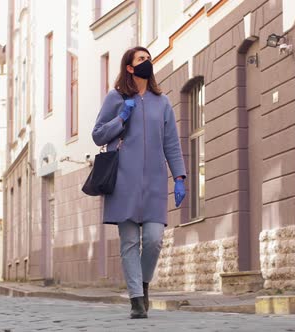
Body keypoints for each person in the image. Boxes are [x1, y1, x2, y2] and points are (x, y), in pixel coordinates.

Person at [92, 46, 187, 319]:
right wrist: (121, 117)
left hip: (156, 182)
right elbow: (98, 135)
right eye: (141, 59)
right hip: (124, 180)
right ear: (130, 68)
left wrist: (179, 176)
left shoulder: (162, 102)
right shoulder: (116, 97)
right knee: (130, 242)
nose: (148, 62)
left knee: (155, 240)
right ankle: (136, 299)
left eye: (149, 58)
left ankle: (143, 284)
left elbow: (171, 142)